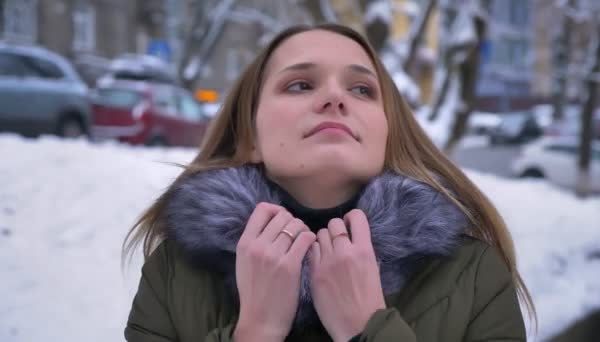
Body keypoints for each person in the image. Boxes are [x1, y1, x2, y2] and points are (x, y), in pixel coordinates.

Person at [123, 23, 534, 342]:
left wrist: (368, 328)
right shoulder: (173, 272)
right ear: (250, 137)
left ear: (387, 133)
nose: (335, 99)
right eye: (300, 84)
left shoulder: (474, 274)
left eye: (361, 89)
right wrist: (257, 330)